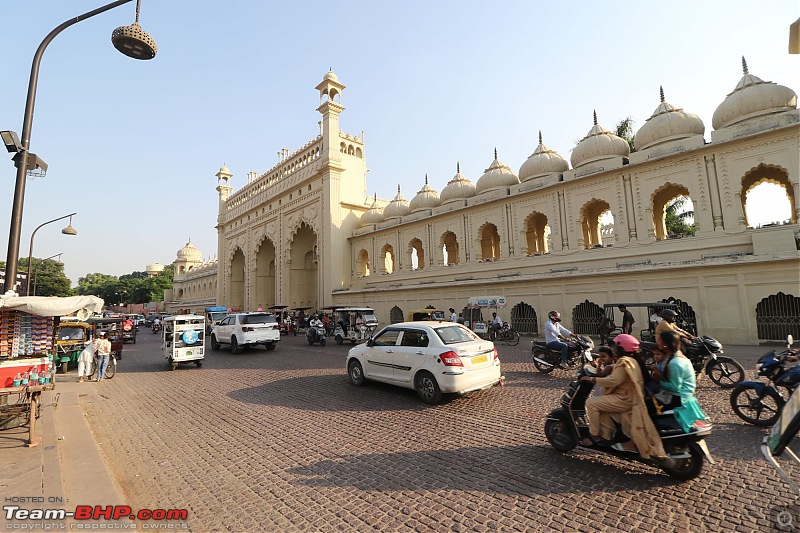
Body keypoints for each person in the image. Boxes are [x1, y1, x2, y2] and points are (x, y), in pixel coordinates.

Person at [580, 334, 666, 458]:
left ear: (622, 348)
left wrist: (592, 379)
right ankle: (607, 435)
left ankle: (595, 435)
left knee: (591, 403)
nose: (614, 350)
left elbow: (613, 381)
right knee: (602, 408)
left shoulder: (624, 361)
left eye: (615, 347)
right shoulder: (635, 360)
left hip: (624, 398)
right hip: (631, 397)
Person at [649, 330, 696, 409]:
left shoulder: (675, 362)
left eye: (660, 340)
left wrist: (658, 381)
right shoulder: (672, 355)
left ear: (665, 344)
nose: (658, 342)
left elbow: (675, 387)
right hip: (677, 393)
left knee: (646, 406)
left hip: (679, 397)